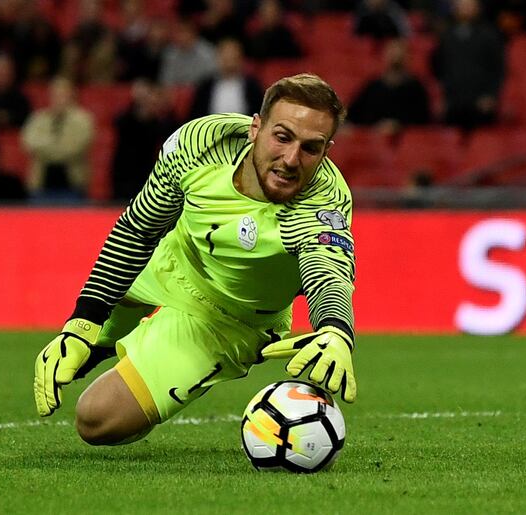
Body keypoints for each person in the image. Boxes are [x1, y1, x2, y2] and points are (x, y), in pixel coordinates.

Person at [33, 74, 358, 446]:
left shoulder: (322, 203)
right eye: (282, 137)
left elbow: (328, 273)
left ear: (326, 151)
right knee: (92, 331)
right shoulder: (201, 145)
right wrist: (81, 324)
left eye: (311, 148)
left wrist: (336, 330)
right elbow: (139, 230)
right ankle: (102, 341)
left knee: (96, 421)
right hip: (175, 258)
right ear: (256, 127)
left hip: (229, 319)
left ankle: (154, 348)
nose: (290, 159)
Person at [431, 0, 505, 130]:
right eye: (462, 4)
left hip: (480, 103)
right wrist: (441, 96)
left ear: (478, 8)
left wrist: (491, 96)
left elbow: (498, 69)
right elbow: (437, 68)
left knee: (482, 144)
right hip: (453, 103)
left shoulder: (489, 35)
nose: (465, 8)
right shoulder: (446, 36)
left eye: (469, 4)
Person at [21, 76, 94, 201]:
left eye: (63, 94)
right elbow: (29, 143)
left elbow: (74, 148)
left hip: (73, 188)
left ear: (72, 96)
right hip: (40, 188)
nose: (59, 99)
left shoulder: (83, 120)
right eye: (55, 95)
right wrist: (59, 144)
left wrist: (46, 149)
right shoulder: (38, 119)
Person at [346, 39, 431, 134]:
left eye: (400, 51)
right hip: (372, 143)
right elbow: (352, 115)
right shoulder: (372, 86)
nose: (396, 55)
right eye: (392, 50)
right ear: (384, 55)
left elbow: (425, 123)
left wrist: (399, 126)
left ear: (408, 56)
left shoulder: (416, 88)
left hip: (407, 144)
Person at [188, 38, 265, 120]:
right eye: (226, 57)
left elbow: (261, 114)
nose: (229, 62)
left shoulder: (252, 86)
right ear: (218, 58)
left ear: (240, 59)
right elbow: (195, 117)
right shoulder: (206, 86)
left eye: (233, 57)